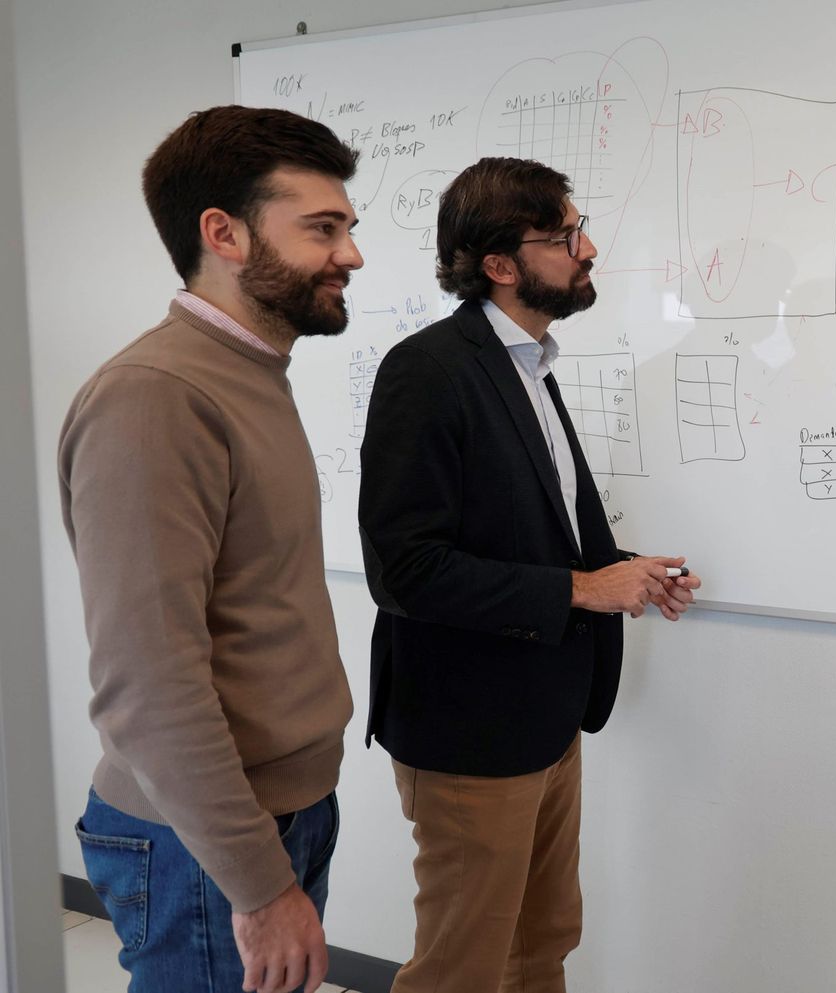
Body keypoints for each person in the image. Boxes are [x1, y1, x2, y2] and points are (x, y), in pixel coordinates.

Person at [358, 156, 700, 993]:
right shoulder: (429, 370)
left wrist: (624, 570)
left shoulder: (532, 364)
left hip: (546, 715)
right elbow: (404, 569)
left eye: (579, 228)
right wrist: (585, 590)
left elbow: (530, 533)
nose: (588, 249)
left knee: (542, 940)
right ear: (500, 265)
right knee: (461, 966)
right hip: (470, 728)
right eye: (565, 235)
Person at [58, 106, 364, 993]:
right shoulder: (155, 397)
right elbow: (147, 680)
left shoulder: (247, 376)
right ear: (223, 234)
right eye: (322, 227)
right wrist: (260, 883)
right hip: (204, 840)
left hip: (269, 815)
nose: (350, 253)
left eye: (347, 226)